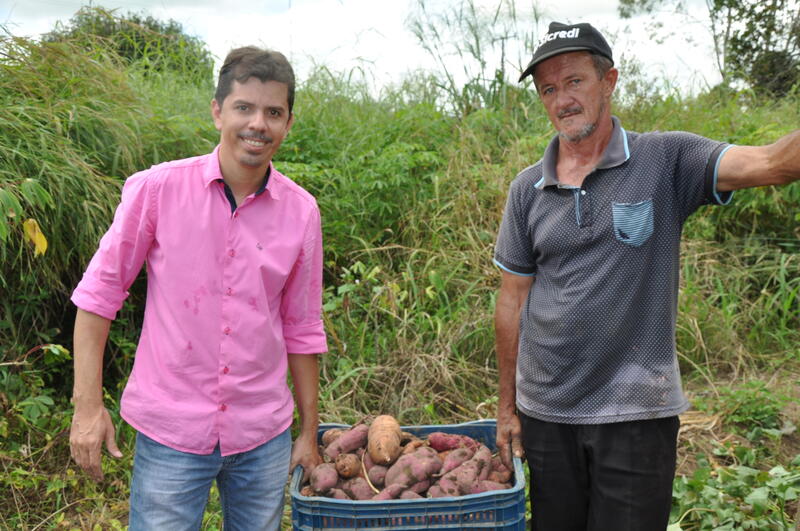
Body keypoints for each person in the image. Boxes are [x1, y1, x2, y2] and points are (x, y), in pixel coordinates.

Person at [493, 21, 799, 531]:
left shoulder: (667, 159)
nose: (562, 99)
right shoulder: (527, 189)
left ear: (609, 81)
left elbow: (772, 162)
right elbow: (511, 302)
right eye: (548, 88)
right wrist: (508, 408)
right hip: (546, 414)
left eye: (574, 81)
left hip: (636, 413)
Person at [68, 47, 327, 530]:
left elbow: (302, 327)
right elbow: (98, 298)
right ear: (217, 111)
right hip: (172, 430)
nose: (258, 124)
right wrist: (88, 407)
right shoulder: (157, 190)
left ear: (288, 123)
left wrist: (309, 432)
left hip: (262, 433)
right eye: (244, 108)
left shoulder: (301, 212)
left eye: (274, 113)